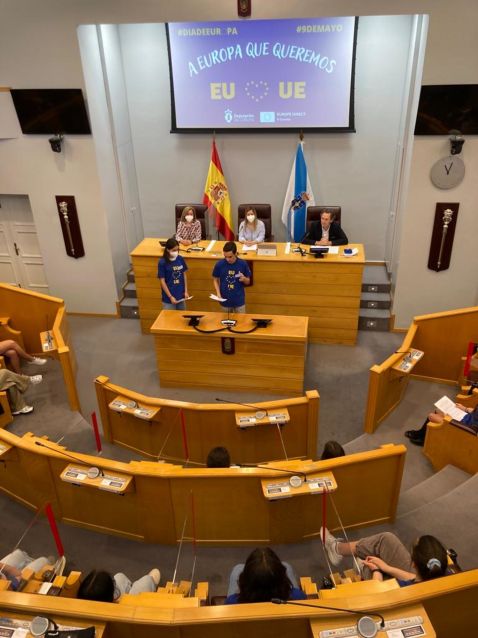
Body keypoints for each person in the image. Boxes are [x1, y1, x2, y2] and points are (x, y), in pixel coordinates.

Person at [321, 528, 448, 586]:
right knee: (386, 539)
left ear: (413, 564)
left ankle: (359, 563)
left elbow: (378, 594)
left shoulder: (404, 586)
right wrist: (387, 568)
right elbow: (413, 577)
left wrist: (377, 570)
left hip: (382, 590)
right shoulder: (445, 573)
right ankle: (337, 549)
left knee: (367, 562)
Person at [225, 547, 306, 604]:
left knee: (237, 569)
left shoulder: (232, 602)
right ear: (282, 578)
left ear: (245, 580)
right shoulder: (298, 598)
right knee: (287, 566)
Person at [405, 402, 478, 446]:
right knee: (438, 410)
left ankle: (423, 439)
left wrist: (453, 420)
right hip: (466, 418)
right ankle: (422, 434)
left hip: (464, 428)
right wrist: (465, 408)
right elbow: (475, 412)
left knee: (432, 416)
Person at [78, 568, 161, 602]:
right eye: (112, 582)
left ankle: (132, 587)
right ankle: (150, 583)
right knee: (147, 580)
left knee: (119, 577)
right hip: (130, 608)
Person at [212, 241, 251, 313]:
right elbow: (215, 279)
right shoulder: (219, 264)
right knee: (225, 322)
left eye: (230, 257)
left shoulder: (243, 264)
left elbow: (248, 281)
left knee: (241, 322)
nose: (228, 259)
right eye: (225, 257)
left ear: (235, 253)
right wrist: (218, 293)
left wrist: (244, 279)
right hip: (225, 301)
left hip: (239, 301)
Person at [158, 237, 189, 310]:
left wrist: (186, 291)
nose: (176, 252)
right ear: (168, 250)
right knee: (170, 319)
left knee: (182, 318)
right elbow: (162, 281)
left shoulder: (180, 259)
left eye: (177, 250)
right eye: (174, 250)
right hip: (169, 299)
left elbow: (184, 275)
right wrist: (170, 296)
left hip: (181, 296)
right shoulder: (162, 262)